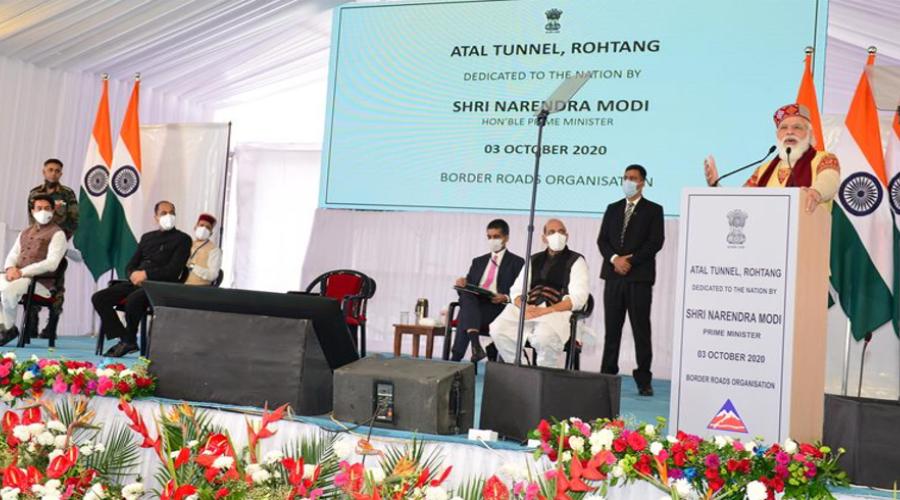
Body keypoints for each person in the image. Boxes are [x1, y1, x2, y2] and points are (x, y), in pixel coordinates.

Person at [597, 164, 665, 396]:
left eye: (633, 178)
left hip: (639, 279)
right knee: (612, 330)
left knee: (641, 330)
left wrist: (630, 261)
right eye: (625, 177)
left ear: (643, 182)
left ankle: (643, 379)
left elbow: (655, 242)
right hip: (613, 276)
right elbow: (602, 241)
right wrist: (615, 259)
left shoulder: (654, 210)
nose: (628, 181)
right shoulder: (612, 208)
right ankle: (607, 375)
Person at [91, 201, 191, 357]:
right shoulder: (147, 238)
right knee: (99, 298)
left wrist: (147, 274)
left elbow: (173, 271)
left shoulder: (183, 239)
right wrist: (132, 274)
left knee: (134, 299)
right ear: (155, 217)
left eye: (172, 213)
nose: (168, 216)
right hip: (138, 283)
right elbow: (131, 264)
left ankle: (128, 341)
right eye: (163, 213)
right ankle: (126, 338)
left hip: (160, 286)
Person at [703, 103, 840, 213]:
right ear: (777, 135)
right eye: (783, 128)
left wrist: (816, 192)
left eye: (797, 127)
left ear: (810, 134)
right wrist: (716, 186)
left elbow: (829, 180)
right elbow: (741, 201)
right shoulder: (763, 169)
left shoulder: (825, 158)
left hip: (808, 239)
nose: (789, 132)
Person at [489, 219, 589, 368]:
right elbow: (516, 291)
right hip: (530, 309)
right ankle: (521, 369)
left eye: (561, 232)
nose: (557, 235)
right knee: (498, 328)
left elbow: (579, 298)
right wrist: (525, 307)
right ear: (544, 238)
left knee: (544, 337)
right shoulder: (533, 259)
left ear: (567, 236)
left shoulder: (577, 260)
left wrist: (545, 311)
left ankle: (544, 374)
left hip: (556, 311)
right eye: (551, 232)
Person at [450, 219, 524, 362]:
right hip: (476, 305)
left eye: (496, 237)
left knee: (465, 314)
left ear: (506, 238)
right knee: (466, 297)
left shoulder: (517, 262)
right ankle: (476, 345)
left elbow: (521, 291)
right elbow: (464, 293)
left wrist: (505, 297)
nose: (492, 240)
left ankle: (456, 359)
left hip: (498, 308)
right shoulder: (478, 261)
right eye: (489, 237)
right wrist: (463, 284)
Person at [0, 195, 67, 345]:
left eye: (47, 208)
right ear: (32, 211)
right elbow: (13, 254)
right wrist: (10, 268)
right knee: (5, 286)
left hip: (40, 283)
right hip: (18, 277)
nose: (43, 212)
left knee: (8, 290)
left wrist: (22, 272)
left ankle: (9, 328)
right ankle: (4, 326)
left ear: (53, 210)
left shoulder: (58, 234)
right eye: (39, 208)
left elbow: (52, 263)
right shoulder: (24, 232)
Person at [26, 158, 79, 339]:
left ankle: (52, 326)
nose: (53, 173)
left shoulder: (67, 194)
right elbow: (32, 220)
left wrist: (62, 241)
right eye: (50, 170)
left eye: (57, 170)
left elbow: (73, 221)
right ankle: (30, 323)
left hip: (58, 244)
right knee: (31, 280)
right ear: (44, 171)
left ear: (61, 174)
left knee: (56, 285)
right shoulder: (34, 193)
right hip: (38, 245)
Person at [184, 213, 222, 286]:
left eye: (208, 227)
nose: (204, 229)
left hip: (201, 289)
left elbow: (213, 275)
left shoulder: (214, 250)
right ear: (195, 227)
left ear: (211, 233)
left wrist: (193, 266)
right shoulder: (187, 244)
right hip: (181, 286)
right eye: (201, 225)